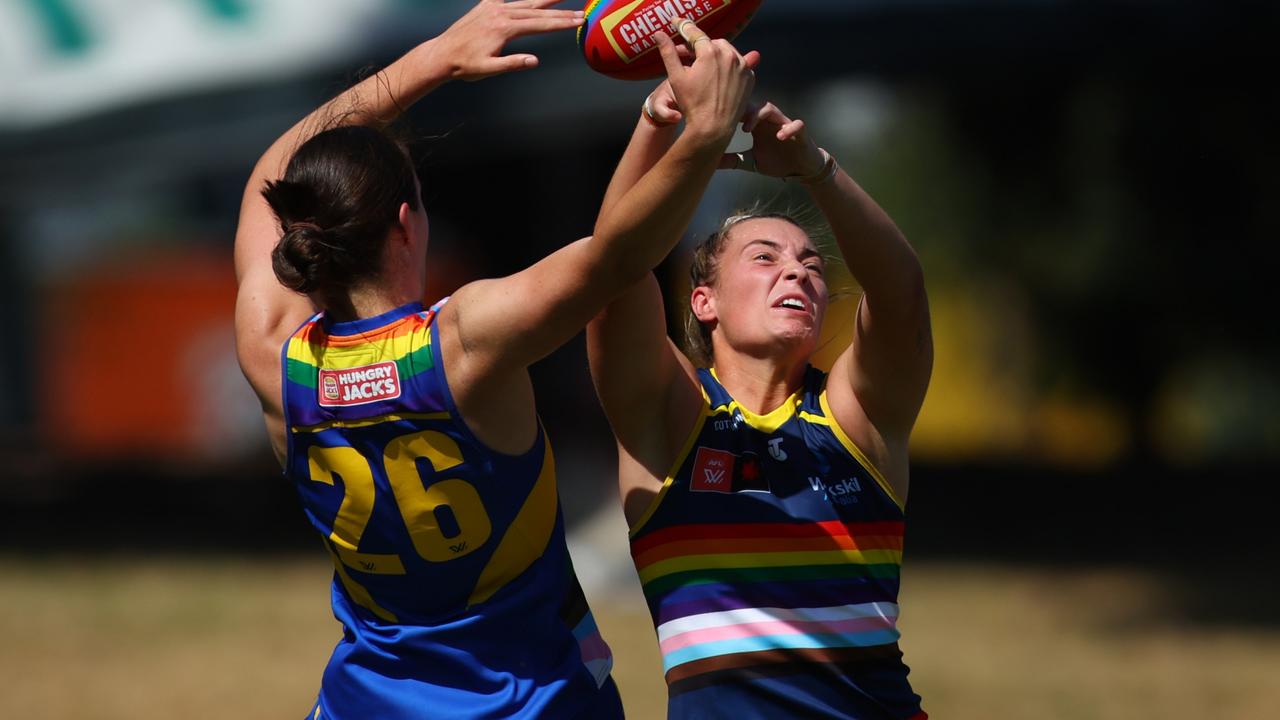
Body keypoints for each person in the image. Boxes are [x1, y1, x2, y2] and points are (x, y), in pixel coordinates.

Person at [232, 3, 758, 718]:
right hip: (531, 701)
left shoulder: (274, 358)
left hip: (366, 703)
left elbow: (274, 168)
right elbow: (619, 257)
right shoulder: (464, 341)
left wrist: (434, 58)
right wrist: (702, 133)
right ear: (407, 224)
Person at [587, 19, 933, 719]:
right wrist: (658, 129)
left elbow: (899, 294)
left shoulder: (853, 416)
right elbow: (612, 272)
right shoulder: (670, 420)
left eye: (811, 264)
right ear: (703, 299)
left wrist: (817, 169)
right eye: (766, 257)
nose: (798, 273)